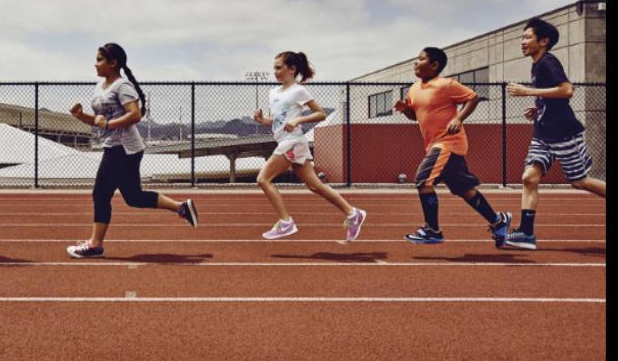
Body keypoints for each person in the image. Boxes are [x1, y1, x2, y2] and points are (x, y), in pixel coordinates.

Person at [66, 43, 198, 258]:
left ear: (113, 63)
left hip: (124, 148)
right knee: (133, 197)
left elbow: (135, 115)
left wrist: (108, 124)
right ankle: (181, 208)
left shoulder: (122, 85)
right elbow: (100, 121)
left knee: (100, 194)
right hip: (117, 147)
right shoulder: (100, 87)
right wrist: (81, 116)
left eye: (99, 59)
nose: (95, 63)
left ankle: (95, 245)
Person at [504, 17, 605, 250]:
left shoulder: (548, 61)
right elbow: (552, 95)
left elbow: (567, 90)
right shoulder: (536, 64)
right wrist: (538, 106)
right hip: (543, 135)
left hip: (563, 134)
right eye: (522, 37)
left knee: (580, 182)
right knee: (529, 178)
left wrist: (527, 91)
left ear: (544, 41)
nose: (522, 41)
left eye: (527, 37)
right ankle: (526, 234)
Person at [394, 47, 511, 246]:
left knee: (423, 180)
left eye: (421, 59)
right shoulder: (413, 89)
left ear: (434, 65)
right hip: (434, 146)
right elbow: (415, 115)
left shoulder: (446, 85)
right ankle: (498, 222)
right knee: (465, 189)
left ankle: (432, 230)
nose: (415, 62)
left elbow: (473, 97)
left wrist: (458, 118)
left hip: (448, 143)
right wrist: (406, 110)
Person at [253, 51, 366, 240]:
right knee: (315, 185)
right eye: (274, 67)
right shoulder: (273, 93)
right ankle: (353, 213)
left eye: (279, 67)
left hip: (293, 141)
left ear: (292, 69)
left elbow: (320, 114)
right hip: (286, 141)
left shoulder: (298, 91)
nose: (275, 71)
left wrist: (299, 120)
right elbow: (278, 121)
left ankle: (286, 222)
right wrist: (262, 119)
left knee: (263, 179)